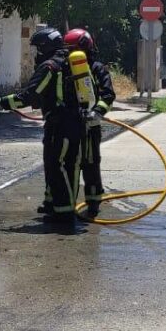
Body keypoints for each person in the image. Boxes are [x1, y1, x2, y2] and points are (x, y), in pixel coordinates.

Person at [0, 27, 84, 229]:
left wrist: (1, 102)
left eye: (38, 50)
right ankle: (56, 206)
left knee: (54, 166)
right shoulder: (70, 63)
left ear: (44, 48)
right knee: (70, 165)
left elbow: (29, 96)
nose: (36, 55)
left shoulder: (49, 67)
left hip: (59, 125)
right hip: (77, 122)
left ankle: (64, 214)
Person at [64, 28, 114, 219]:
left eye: (72, 49)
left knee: (91, 163)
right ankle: (68, 204)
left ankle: (93, 203)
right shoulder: (65, 68)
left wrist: (97, 111)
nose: (69, 53)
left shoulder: (97, 69)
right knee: (71, 164)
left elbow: (108, 94)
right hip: (72, 125)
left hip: (91, 126)